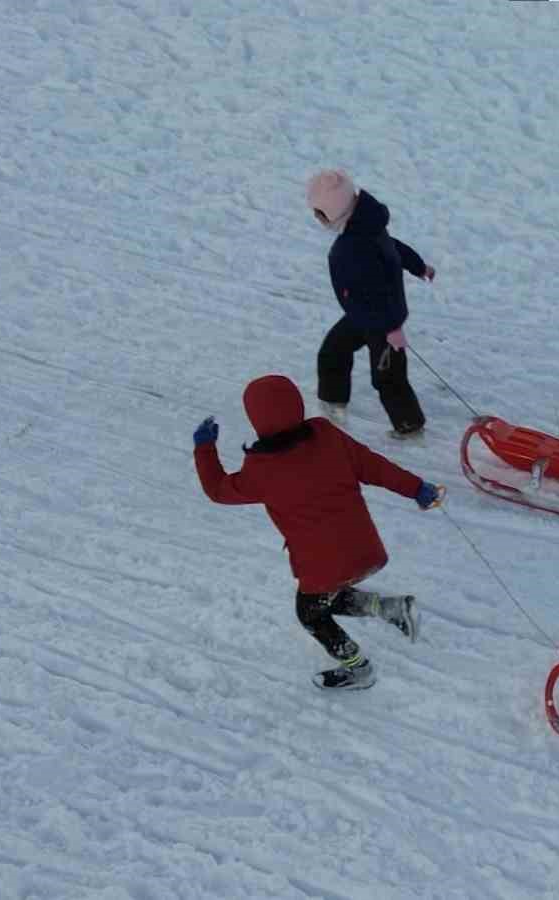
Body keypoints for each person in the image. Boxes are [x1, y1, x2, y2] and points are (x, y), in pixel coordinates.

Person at [192, 373, 446, 689]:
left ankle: (358, 668)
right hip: (367, 550)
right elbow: (376, 467)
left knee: (310, 613)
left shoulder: (262, 470)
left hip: (325, 566)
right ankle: (391, 609)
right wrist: (417, 488)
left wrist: (205, 450)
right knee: (326, 597)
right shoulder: (327, 435)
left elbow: (218, 489)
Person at [306, 168, 436, 438]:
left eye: (319, 213)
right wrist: (419, 266)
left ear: (334, 211)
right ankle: (333, 402)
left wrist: (391, 329)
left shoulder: (354, 245)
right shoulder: (367, 226)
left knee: (388, 377)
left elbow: (382, 286)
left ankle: (409, 425)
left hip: (383, 322)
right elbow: (395, 248)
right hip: (361, 314)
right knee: (333, 351)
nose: (317, 219)